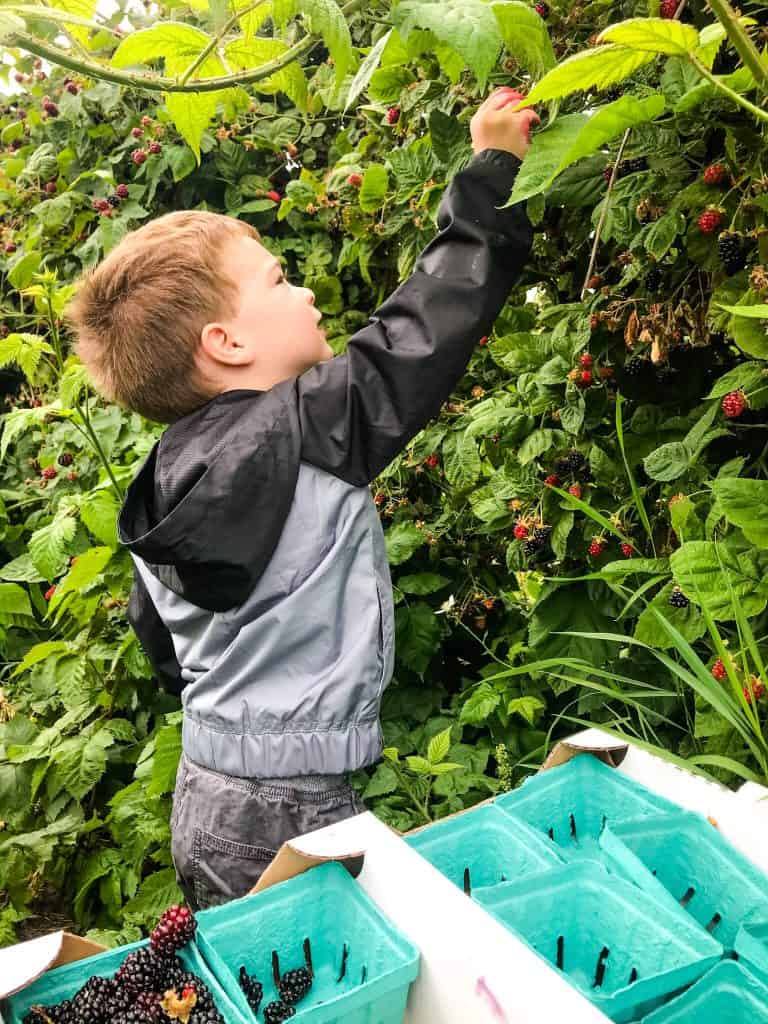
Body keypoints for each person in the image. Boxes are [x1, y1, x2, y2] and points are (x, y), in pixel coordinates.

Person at [65, 87, 539, 910]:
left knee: (271, 982)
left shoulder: (162, 478)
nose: (308, 292)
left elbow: (161, 640)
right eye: (280, 280)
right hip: (295, 800)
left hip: (205, 790)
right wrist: (492, 166)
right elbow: (424, 327)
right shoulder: (307, 427)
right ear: (228, 343)